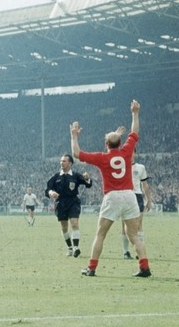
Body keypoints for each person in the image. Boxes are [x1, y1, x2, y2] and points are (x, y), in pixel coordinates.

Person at [74, 100, 151, 277]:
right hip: (130, 196)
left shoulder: (102, 157)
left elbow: (77, 153)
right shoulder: (126, 152)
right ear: (120, 143)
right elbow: (135, 131)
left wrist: (74, 136)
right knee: (133, 235)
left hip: (112, 196)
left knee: (100, 234)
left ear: (106, 145)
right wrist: (135, 113)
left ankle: (91, 268)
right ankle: (145, 267)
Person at [45, 155, 91, 257]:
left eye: (64, 161)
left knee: (74, 223)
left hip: (73, 202)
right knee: (64, 227)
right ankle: (69, 247)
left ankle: (76, 247)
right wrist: (51, 193)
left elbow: (88, 185)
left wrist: (87, 179)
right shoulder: (56, 176)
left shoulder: (76, 176)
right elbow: (48, 189)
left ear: (70, 163)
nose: (62, 163)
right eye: (61, 161)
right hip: (60, 203)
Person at [120, 150, 151, 259]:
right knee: (125, 226)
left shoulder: (140, 167)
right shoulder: (121, 166)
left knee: (138, 225)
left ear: (135, 153)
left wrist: (148, 199)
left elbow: (145, 184)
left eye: (132, 151)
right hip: (125, 196)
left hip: (137, 196)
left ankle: (140, 252)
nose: (130, 153)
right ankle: (126, 252)